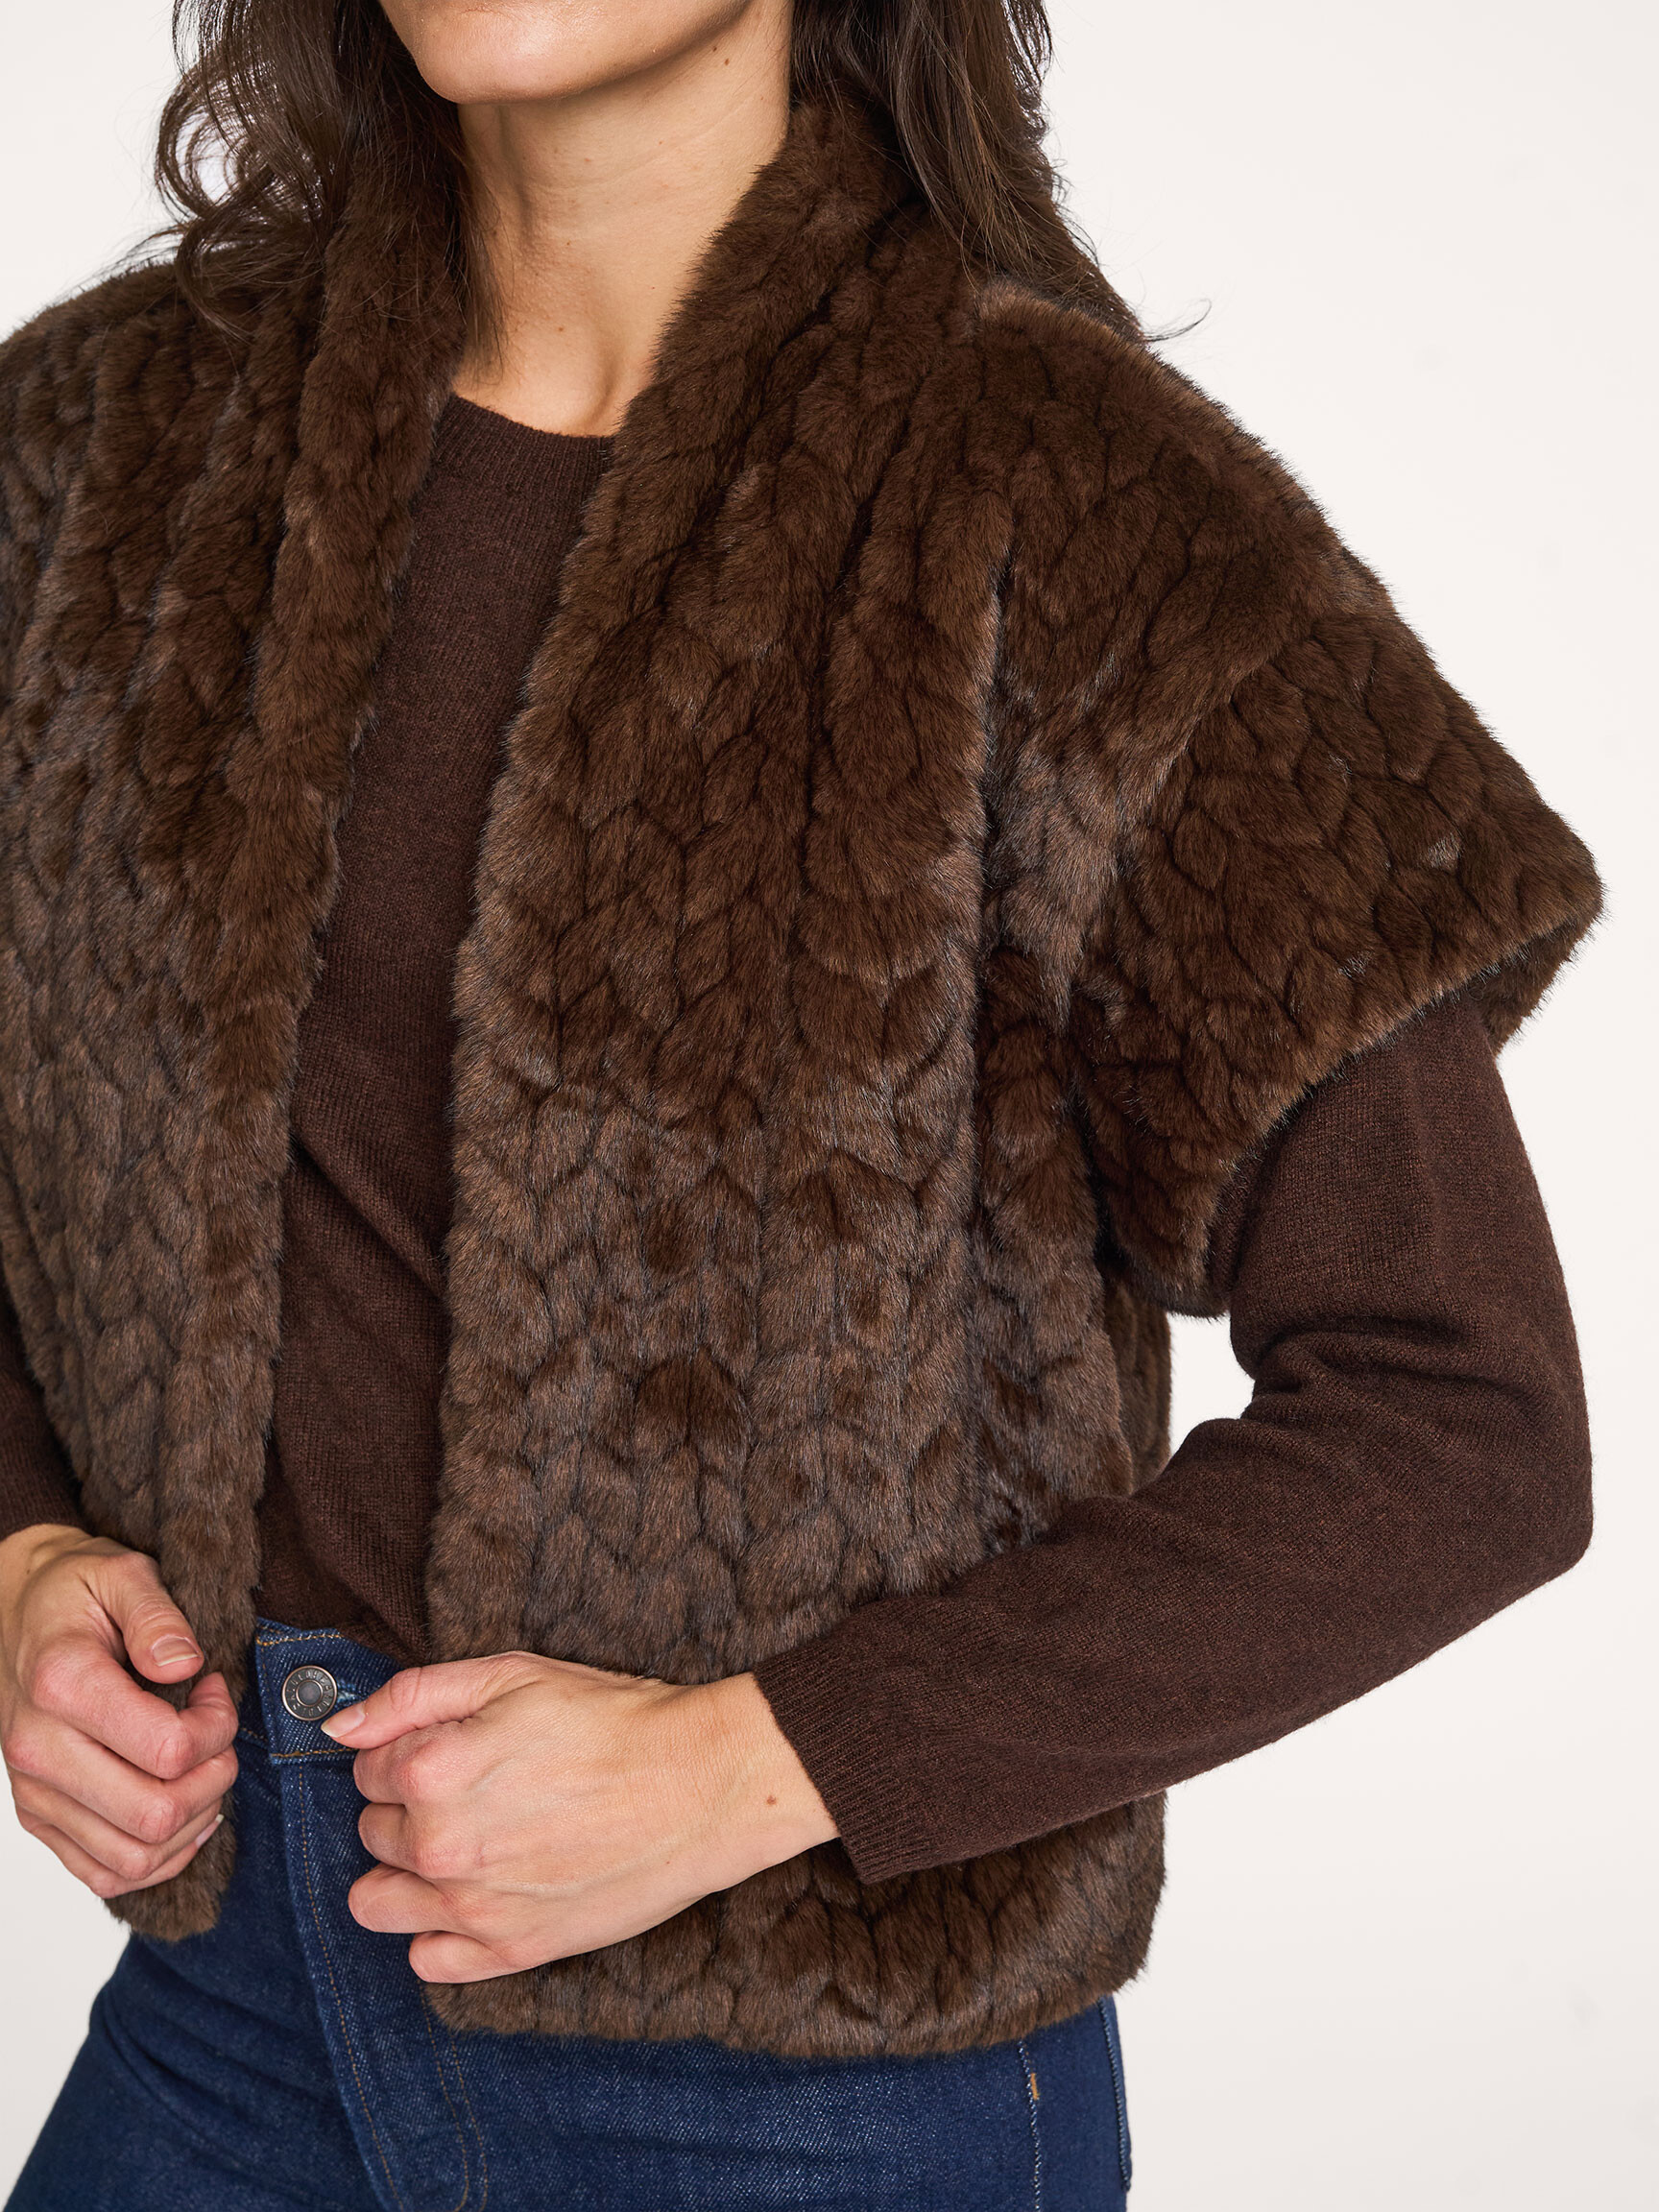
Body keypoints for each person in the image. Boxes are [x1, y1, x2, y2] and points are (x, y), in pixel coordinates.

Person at [0, 1, 1601, 2205]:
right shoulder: (101, 456)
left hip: (805, 2096)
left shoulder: (1078, 513)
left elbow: (1462, 1422)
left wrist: (749, 1769)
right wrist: (23, 1546)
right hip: (228, 2020)